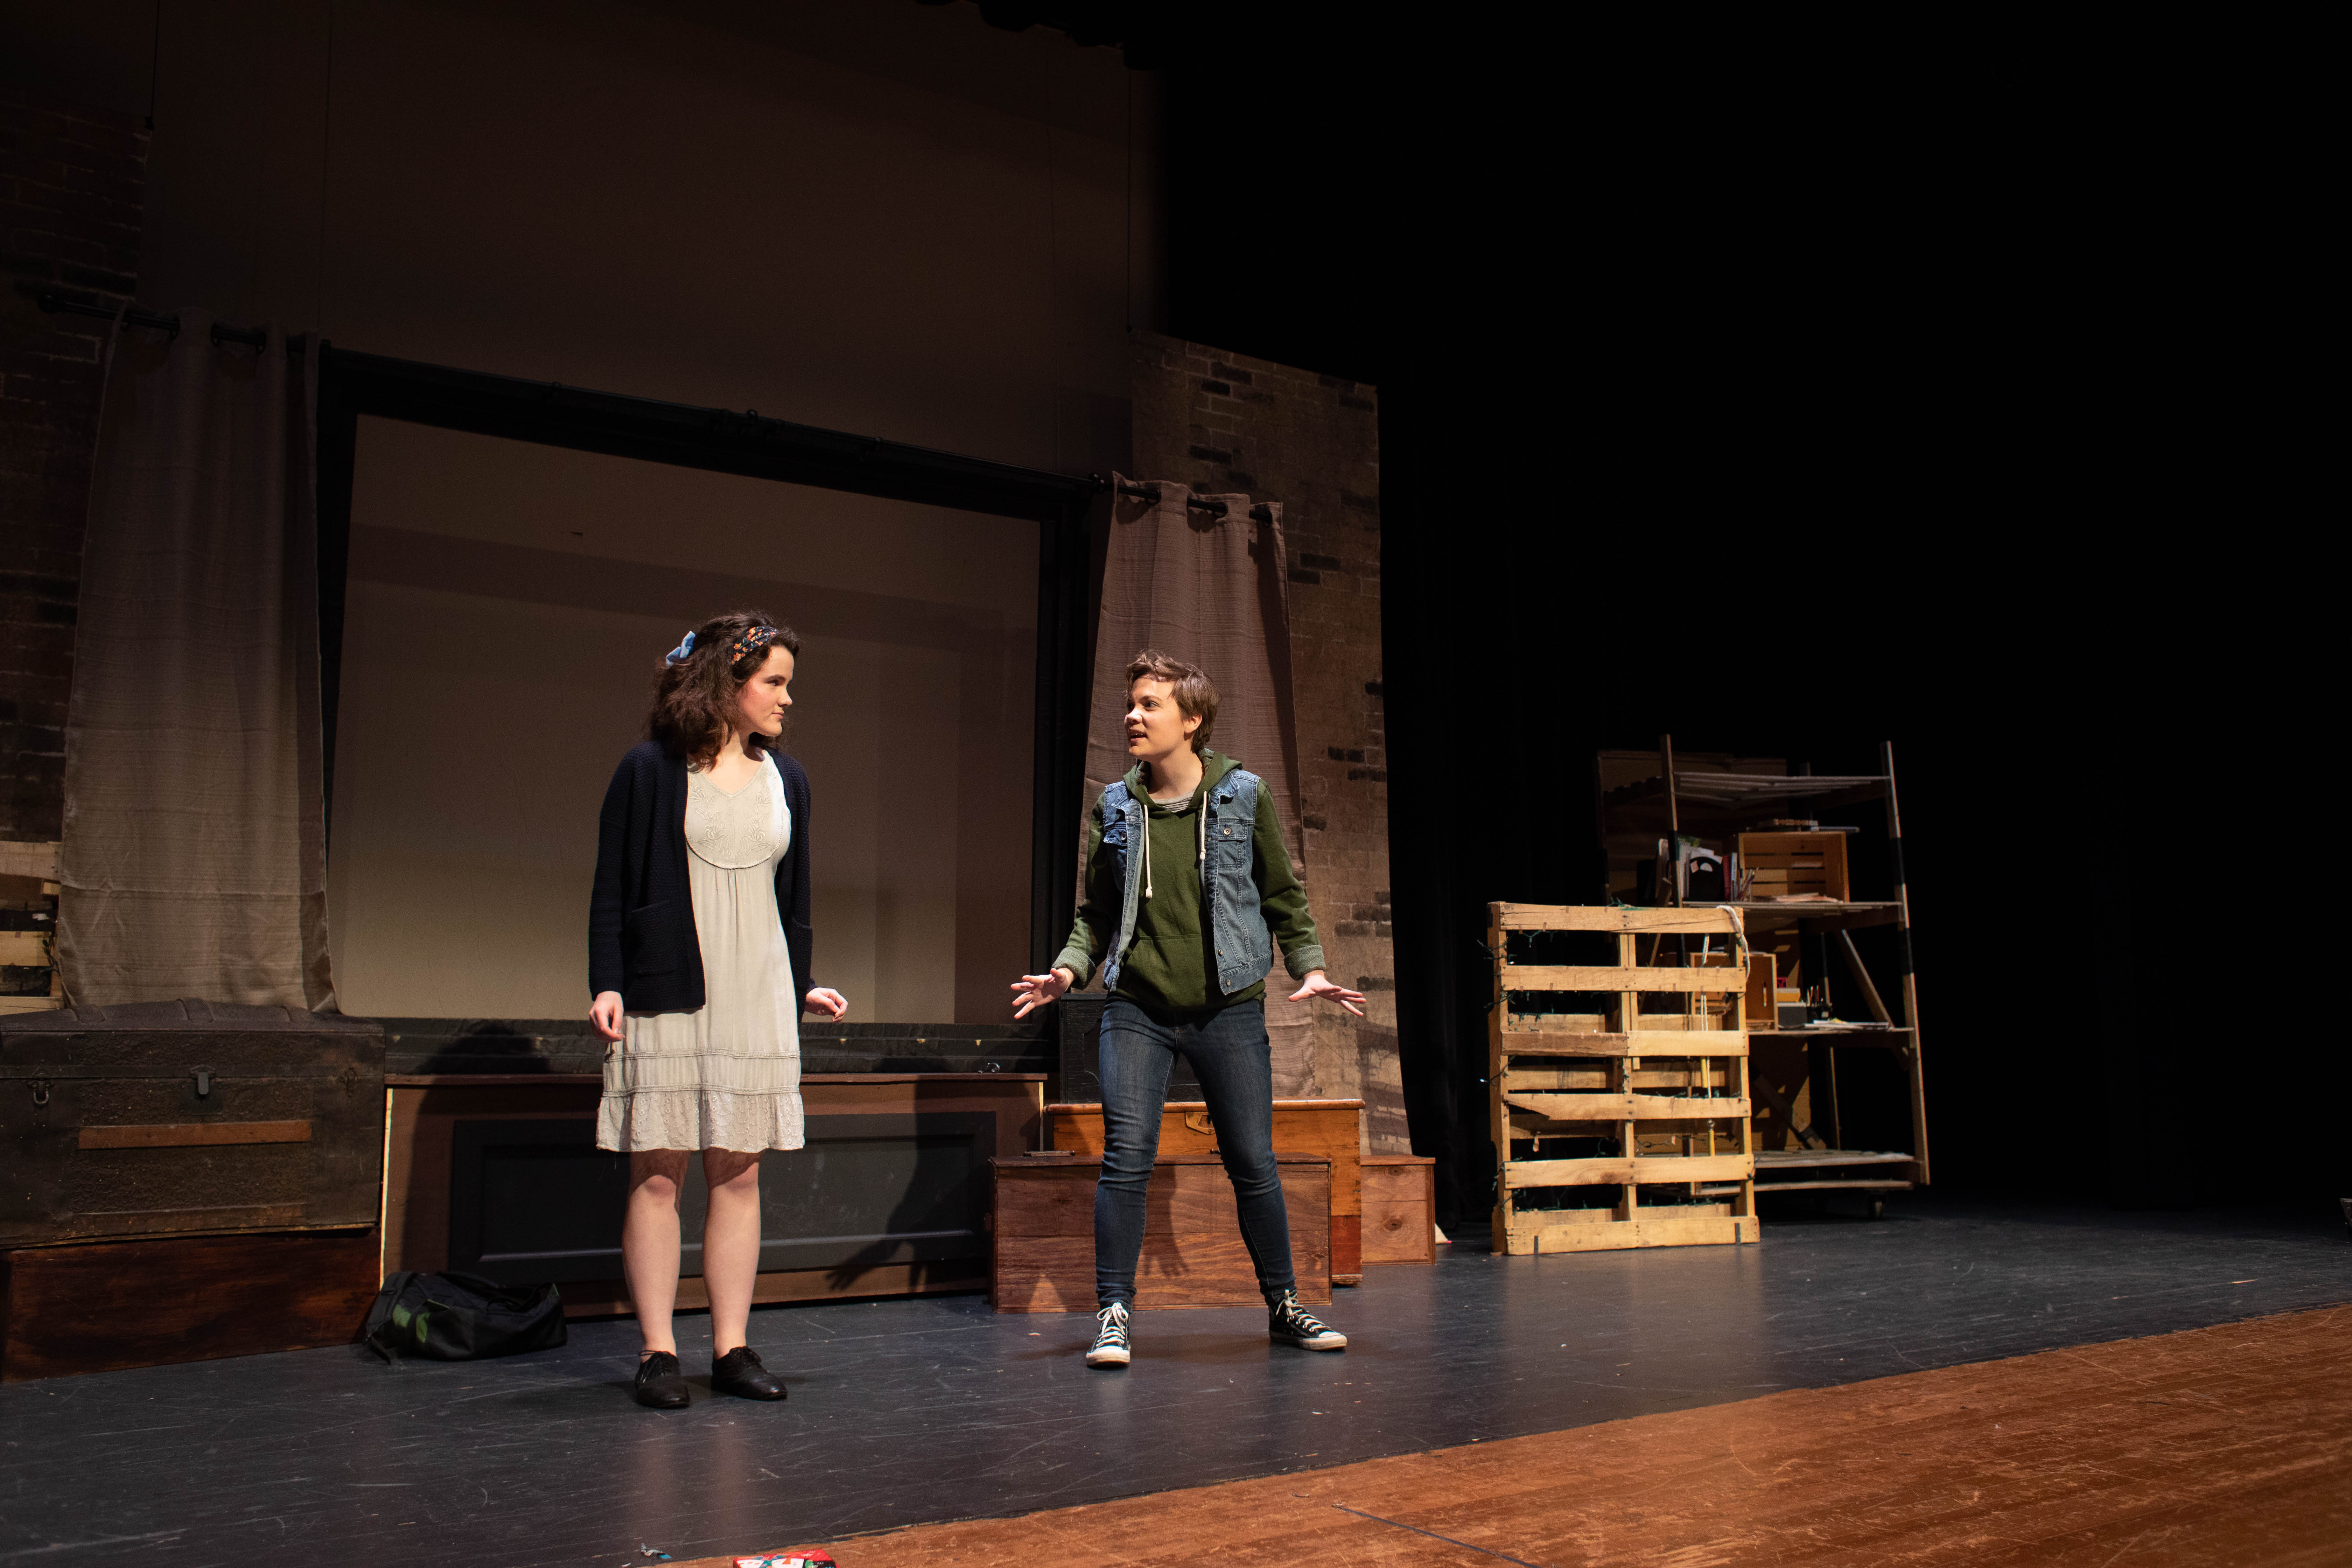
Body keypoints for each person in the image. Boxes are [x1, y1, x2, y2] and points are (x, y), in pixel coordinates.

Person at [1012, 650, 1366, 1367]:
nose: (1132, 715)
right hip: (1137, 1007)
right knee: (1126, 1158)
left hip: (1226, 1007)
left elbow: (1283, 895)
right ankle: (1114, 1313)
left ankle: (1285, 1305)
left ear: (1193, 719)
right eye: (1131, 703)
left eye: (1150, 704)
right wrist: (1067, 970)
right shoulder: (1115, 806)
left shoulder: (1243, 795)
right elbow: (1095, 914)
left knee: (1253, 1160)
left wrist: (1312, 967)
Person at [589, 612, 848, 1409]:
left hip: (757, 992)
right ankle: (658, 1352)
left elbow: (790, 901)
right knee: (658, 1171)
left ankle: (732, 1348)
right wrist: (607, 982)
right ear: (726, 684)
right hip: (669, 987)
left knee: (738, 1171)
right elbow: (612, 887)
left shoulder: (787, 779)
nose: (787, 698)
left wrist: (800, 981)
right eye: (774, 682)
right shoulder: (650, 770)